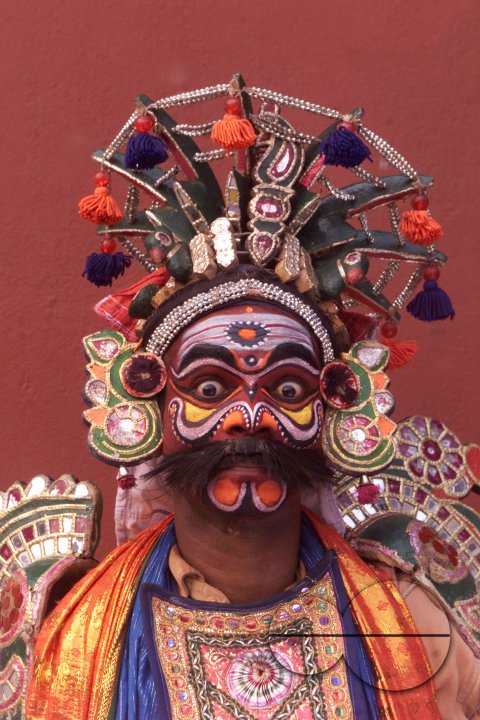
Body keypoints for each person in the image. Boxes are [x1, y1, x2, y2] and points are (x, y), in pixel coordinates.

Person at [26, 76, 479, 719]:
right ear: (145, 401)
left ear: (339, 407)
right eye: (209, 387)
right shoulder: (67, 628)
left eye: (288, 389)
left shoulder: (412, 620)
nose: (250, 417)